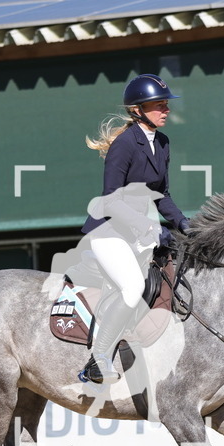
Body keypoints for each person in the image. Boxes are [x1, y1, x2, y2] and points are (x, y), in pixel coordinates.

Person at [78, 74, 191, 384]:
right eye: (159, 105)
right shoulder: (124, 145)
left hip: (138, 233)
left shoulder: (163, 142)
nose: (165, 110)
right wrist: (152, 230)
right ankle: (99, 358)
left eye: (166, 104)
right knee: (132, 288)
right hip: (109, 233)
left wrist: (183, 223)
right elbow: (111, 201)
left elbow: (162, 196)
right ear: (138, 109)